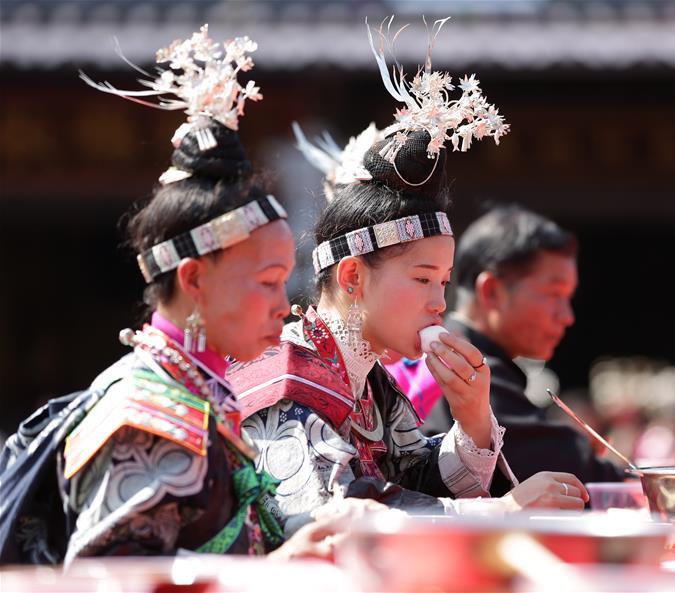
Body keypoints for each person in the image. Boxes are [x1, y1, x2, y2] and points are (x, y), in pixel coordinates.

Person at [0, 26, 378, 565]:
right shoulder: (142, 412)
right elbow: (111, 579)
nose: (283, 303)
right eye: (267, 281)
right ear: (195, 279)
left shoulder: (199, 391)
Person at [227, 19, 588, 534]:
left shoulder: (372, 380)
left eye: (443, 282)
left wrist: (473, 417)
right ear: (352, 276)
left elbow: (417, 478)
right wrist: (502, 511)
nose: (439, 303)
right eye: (422, 280)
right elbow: (330, 518)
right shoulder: (288, 377)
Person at [391, 205, 625, 485]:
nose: (567, 316)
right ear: (491, 291)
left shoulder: (446, 353)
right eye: (554, 294)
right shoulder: (465, 367)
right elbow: (584, 474)